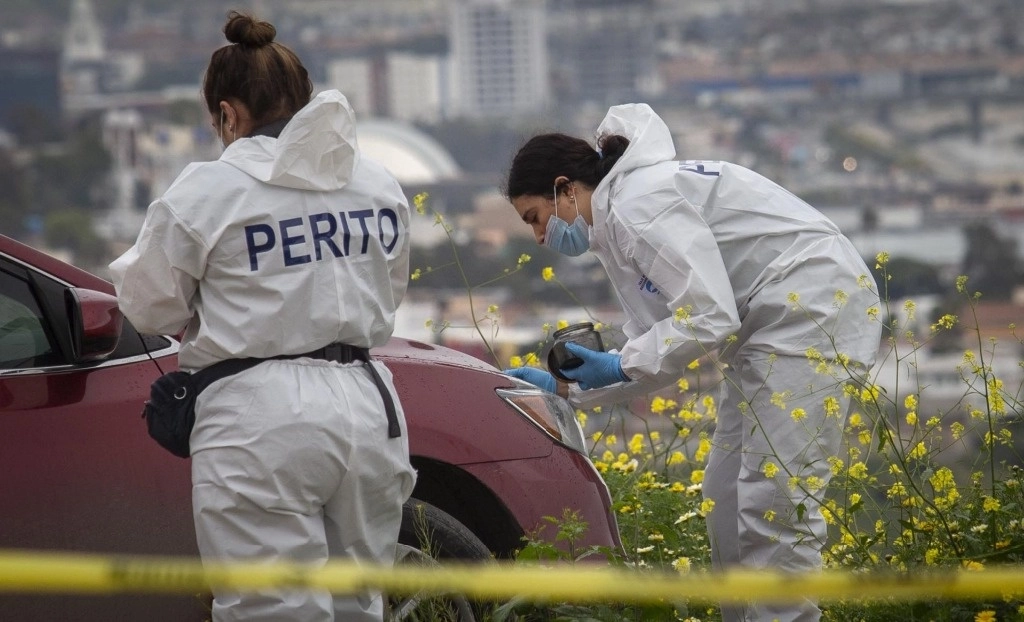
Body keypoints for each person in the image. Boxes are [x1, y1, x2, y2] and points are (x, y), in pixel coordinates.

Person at [503, 103, 880, 622]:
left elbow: (707, 315)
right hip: (766, 326)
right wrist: (563, 389)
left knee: (775, 497)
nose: (540, 236)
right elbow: (659, 343)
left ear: (565, 188)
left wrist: (616, 367)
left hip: (811, 311)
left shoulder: (640, 203)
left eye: (535, 218)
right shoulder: (617, 222)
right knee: (724, 494)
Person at [109, 11, 416, 621]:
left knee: (268, 608)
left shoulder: (209, 191)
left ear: (227, 114)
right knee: (360, 603)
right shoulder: (378, 183)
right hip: (368, 405)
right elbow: (392, 286)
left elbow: (147, 303)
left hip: (257, 418)